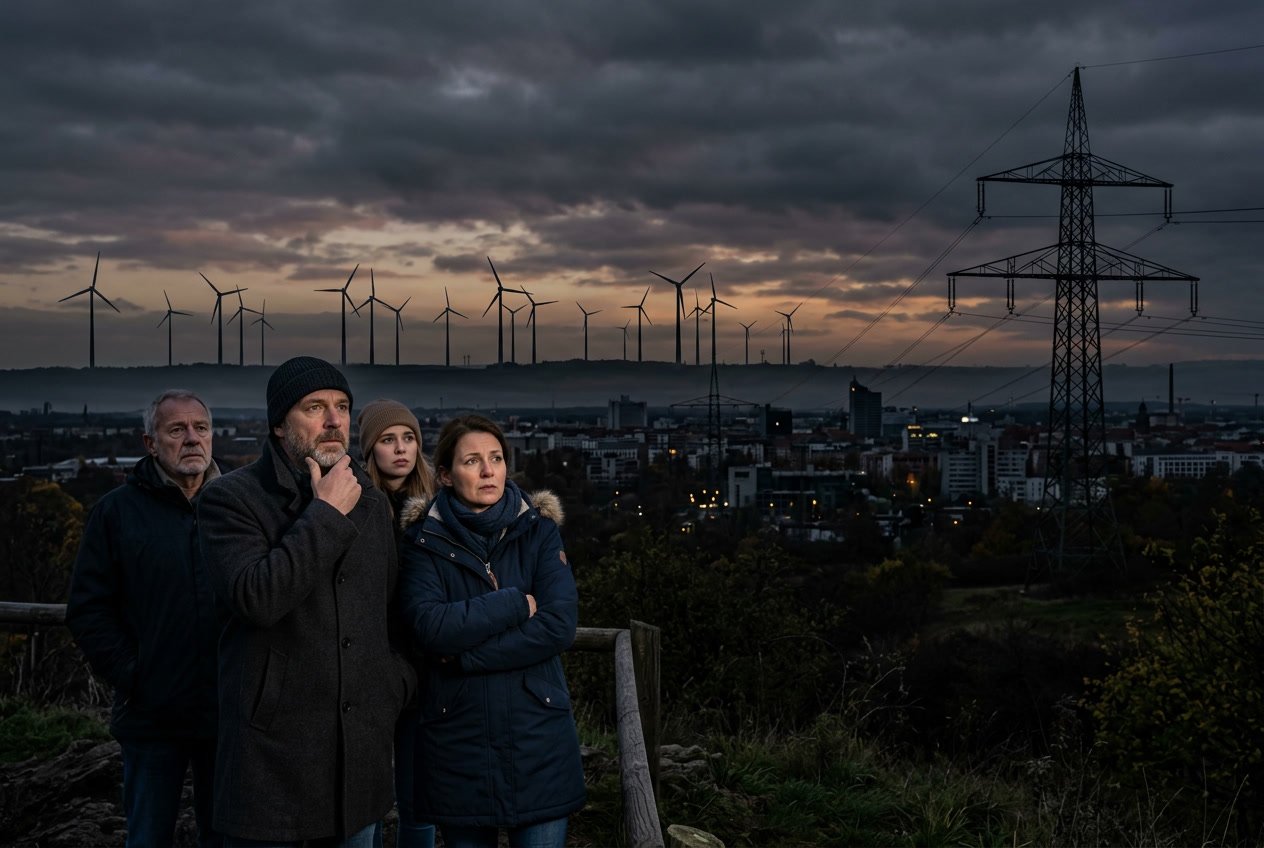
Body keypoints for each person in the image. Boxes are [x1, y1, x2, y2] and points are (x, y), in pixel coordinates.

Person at [197, 356, 416, 847]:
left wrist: (392, 687)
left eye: (342, 407)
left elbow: (391, 613)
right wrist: (326, 513)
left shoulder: (371, 501)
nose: (334, 421)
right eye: (314, 408)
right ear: (279, 423)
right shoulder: (230, 499)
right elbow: (257, 598)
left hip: (360, 761)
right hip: (272, 764)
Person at [398, 414, 585, 848]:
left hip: (538, 737)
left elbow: (558, 625)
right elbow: (431, 627)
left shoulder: (539, 531)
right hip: (458, 743)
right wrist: (515, 604)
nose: (488, 471)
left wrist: (465, 657)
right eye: (472, 461)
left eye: (496, 458)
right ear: (445, 475)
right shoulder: (423, 541)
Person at [66, 389, 224, 848]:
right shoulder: (116, 512)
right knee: (148, 836)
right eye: (177, 430)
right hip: (151, 716)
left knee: (226, 836)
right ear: (150, 443)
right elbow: (88, 608)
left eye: (201, 428)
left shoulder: (237, 506)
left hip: (226, 713)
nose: (192, 438)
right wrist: (136, 675)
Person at [355, 399, 436, 848]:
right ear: (370, 449)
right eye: (388, 440)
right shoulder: (353, 504)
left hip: (425, 668)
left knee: (418, 798)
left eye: (408, 438)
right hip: (368, 669)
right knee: (363, 799)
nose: (401, 449)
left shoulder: (439, 507)